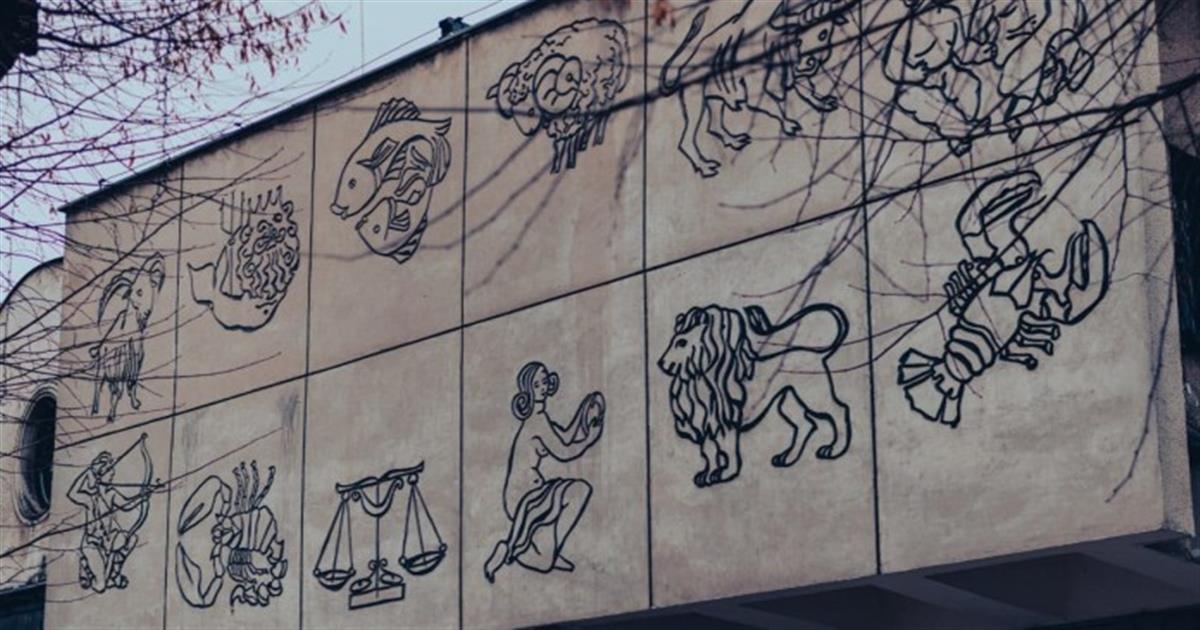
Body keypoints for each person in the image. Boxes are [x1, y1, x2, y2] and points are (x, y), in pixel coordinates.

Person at [484, 361, 605, 583]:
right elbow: (565, 452)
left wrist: (583, 413)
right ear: (528, 390)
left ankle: (542, 552)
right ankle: (513, 550)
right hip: (523, 495)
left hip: (534, 490)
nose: (542, 386)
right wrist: (590, 438)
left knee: (578, 492)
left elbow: (565, 436)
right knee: (579, 491)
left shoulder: (541, 419)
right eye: (536, 384)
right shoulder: (537, 422)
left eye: (545, 381)